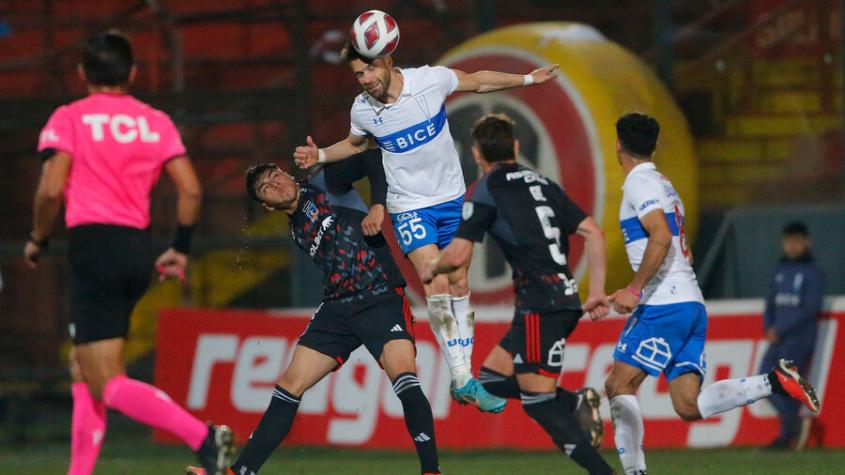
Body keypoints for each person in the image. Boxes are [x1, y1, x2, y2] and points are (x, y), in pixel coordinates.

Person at [293, 41, 559, 413]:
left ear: (387, 60)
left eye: (369, 70)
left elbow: (478, 81)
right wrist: (320, 155)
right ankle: (464, 377)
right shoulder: (363, 109)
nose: (365, 80)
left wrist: (529, 79)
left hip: (451, 199)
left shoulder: (429, 81)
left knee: (460, 281)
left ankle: (461, 378)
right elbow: (356, 145)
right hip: (409, 207)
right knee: (435, 278)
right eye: (358, 74)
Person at [23, 30, 232, 475]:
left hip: (94, 246)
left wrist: (38, 238)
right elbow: (191, 190)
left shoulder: (70, 117)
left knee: (105, 381)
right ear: (132, 73)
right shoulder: (154, 120)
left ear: (82, 74)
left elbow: (50, 190)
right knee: (83, 367)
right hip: (138, 248)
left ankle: (203, 437)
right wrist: (180, 247)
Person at [188, 156, 440, 475]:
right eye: (265, 188)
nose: (274, 184)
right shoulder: (296, 228)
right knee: (289, 384)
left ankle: (431, 471)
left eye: (274, 175)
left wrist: (377, 205)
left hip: (380, 296)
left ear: (286, 172)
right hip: (337, 309)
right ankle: (239, 472)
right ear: (266, 206)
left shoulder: (325, 182)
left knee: (404, 375)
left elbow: (374, 159)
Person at [603, 112, 820, 474]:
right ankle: (773, 381)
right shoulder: (663, 183)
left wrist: (635, 288)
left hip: (664, 303)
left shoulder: (639, 184)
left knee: (618, 384)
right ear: (655, 146)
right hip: (689, 302)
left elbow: (660, 236)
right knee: (688, 405)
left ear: (617, 146)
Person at [421, 113, 614, 474]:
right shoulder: (544, 183)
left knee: (538, 402)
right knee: (491, 378)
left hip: (543, 303)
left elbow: (459, 254)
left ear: (476, 154)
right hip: (557, 298)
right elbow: (594, 233)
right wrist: (598, 290)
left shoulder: (484, 190)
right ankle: (575, 402)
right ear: (516, 147)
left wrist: (432, 268)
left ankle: (603, 471)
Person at [760, 221, 825, 449]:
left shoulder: (813, 272)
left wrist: (781, 329)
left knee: (781, 382)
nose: (793, 246)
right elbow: (770, 302)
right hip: (777, 337)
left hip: (798, 338)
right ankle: (793, 427)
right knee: (763, 381)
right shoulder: (780, 270)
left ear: (807, 242)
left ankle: (788, 433)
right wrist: (768, 326)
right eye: (789, 241)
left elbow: (810, 308)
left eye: (797, 241)